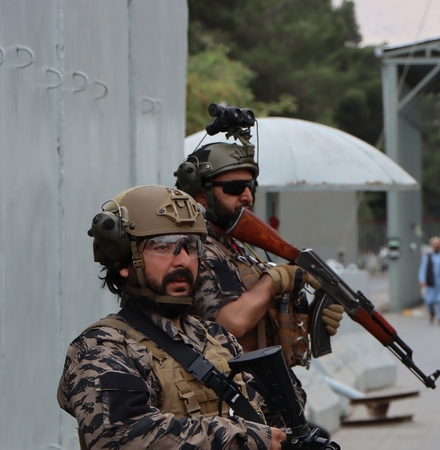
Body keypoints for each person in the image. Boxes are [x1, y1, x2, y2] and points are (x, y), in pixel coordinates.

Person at [57, 185, 285, 449]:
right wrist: (245, 438)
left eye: (191, 246)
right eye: (163, 246)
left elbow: (270, 413)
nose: (183, 261)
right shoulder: (103, 348)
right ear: (123, 262)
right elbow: (123, 437)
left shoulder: (216, 338)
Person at [175, 142, 344, 362]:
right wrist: (274, 281)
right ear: (201, 195)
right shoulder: (198, 248)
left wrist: (308, 318)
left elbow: (260, 319)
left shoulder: (236, 247)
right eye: (235, 187)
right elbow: (231, 322)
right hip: (230, 388)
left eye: (250, 186)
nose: (247, 196)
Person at [418, 236, 440, 326]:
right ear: (432, 246)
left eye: (438, 244)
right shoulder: (428, 257)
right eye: (435, 244)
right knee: (429, 301)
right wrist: (422, 280)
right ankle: (432, 313)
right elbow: (423, 269)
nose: (436, 246)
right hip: (431, 283)